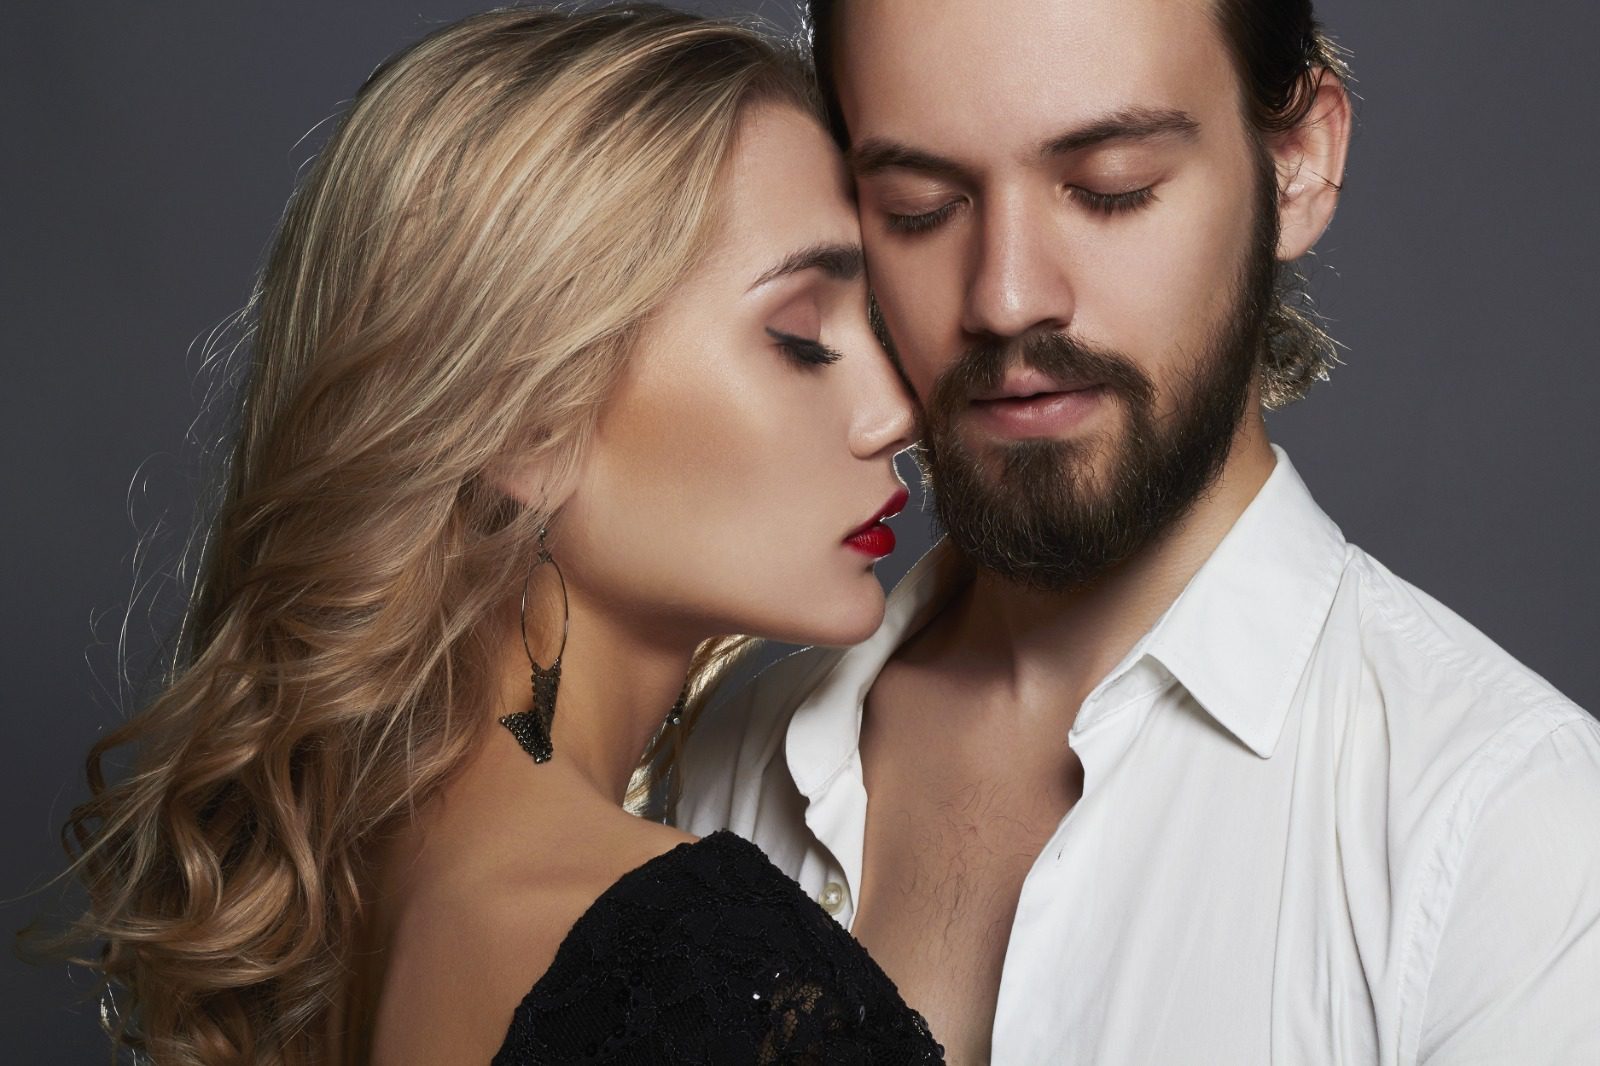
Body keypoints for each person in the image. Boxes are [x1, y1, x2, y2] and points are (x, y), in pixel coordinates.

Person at [678, 1, 1600, 1063]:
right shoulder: (708, 759)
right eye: (920, 207)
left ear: (1296, 162)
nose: (1009, 296)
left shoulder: (1514, 838)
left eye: (1111, 188)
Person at [54, 6, 946, 1063]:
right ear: (523, 425)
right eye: (802, 339)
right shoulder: (690, 956)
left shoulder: (374, 910)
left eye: (878, 330)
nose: (900, 409)